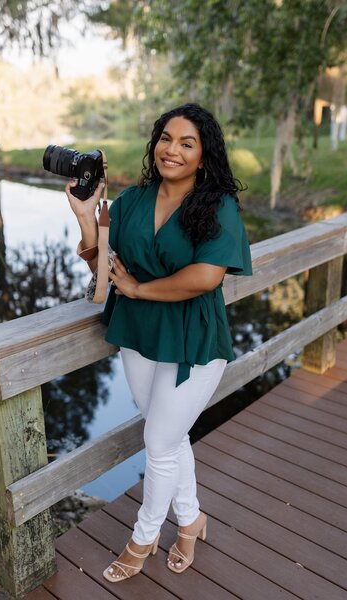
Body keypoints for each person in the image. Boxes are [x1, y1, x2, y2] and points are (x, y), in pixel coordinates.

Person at [65, 103, 253, 583]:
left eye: (187, 142)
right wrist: (87, 215)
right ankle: (190, 520)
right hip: (139, 333)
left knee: (158, 440)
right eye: (166, 138)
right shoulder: (132, 200)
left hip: (193, 338)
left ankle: (143, 537)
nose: (172, 149)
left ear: (204, 154)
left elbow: (205, 277)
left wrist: (139, 289)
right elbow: (103, 266)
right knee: (167, 436)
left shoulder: (219, 206)